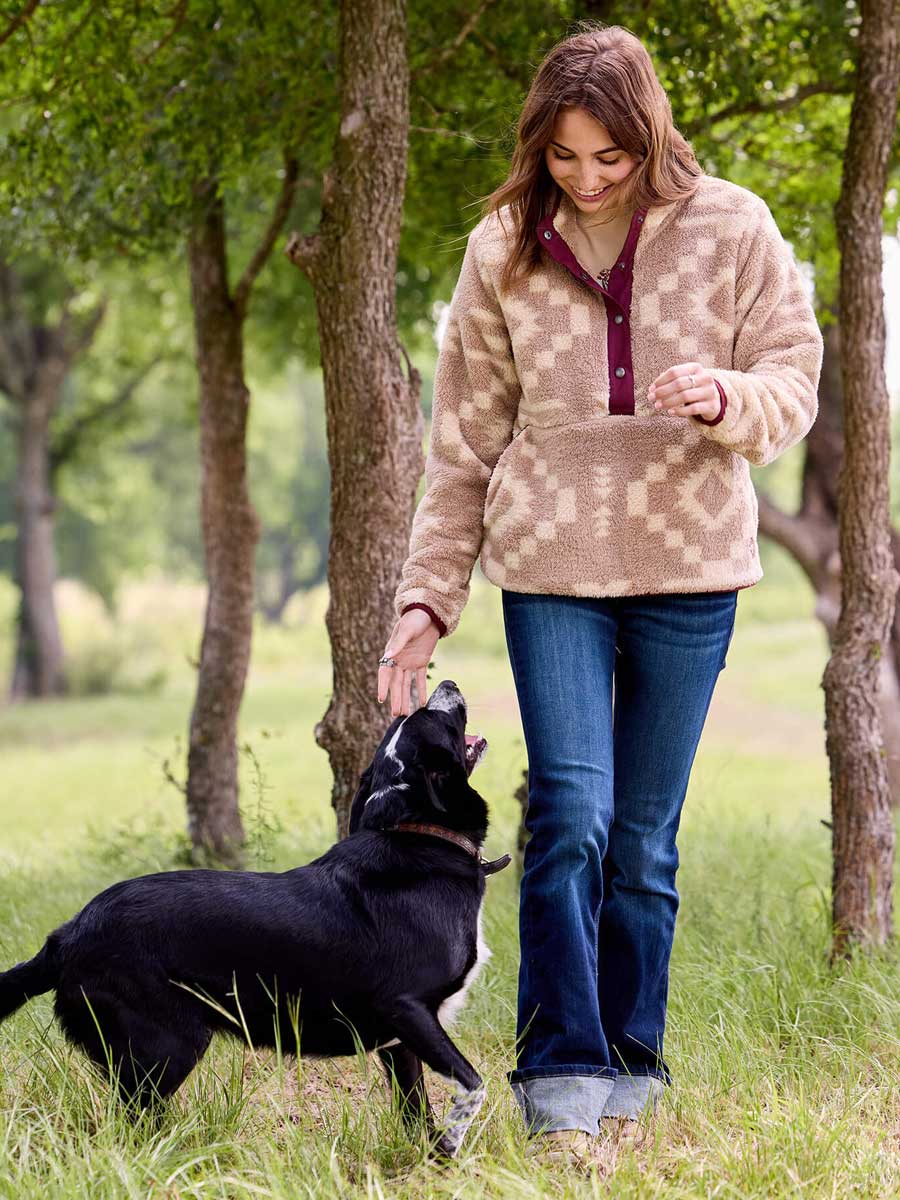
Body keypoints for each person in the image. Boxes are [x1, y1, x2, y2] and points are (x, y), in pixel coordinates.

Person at [375, 22, 824, 1167]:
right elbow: (464, 445)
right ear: (542, 143)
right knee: (569, 815)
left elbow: (793, 377)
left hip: (690, 571)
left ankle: (635, 1064)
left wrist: (726, 397)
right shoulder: (502, 247)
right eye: (567, 158)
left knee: (643, 840)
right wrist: (426, 602)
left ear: (649, 136)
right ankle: (561, 1073)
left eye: (609, 160)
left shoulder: (734, 225)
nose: (587, 181)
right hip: (552, 571)